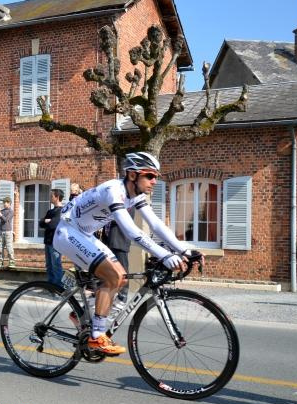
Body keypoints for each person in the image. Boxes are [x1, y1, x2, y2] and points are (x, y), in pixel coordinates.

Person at [53, 152, 202, 356]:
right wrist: (164, 255)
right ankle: (97, 336)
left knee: (120, 278)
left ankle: (83, 316)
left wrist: (184, 249)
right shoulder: (113, 191)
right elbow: (132, 231)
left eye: (156, 177)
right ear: (132, 175)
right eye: (149, 176)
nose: (154, 181)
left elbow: (156, 225)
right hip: (68, 233)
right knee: (114, 276)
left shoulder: (136, 195)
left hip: (84, 234)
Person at [40, 188, 64, 285]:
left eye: (51, 196)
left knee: (56, 265)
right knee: (49, 265)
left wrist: (47, 221)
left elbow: (53, 225)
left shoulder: (61, 211)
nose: (50, 197)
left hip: (56, 243)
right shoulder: (50, 211)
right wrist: (45, 221)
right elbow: (41, 223)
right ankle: (50, 287)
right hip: (48, 242)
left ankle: (58, 288)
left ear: (57, 197)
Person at [0, 196, 15, 268]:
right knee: (0, 247)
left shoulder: (11, 211)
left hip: (8, 232)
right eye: (3, 202)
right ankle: (0, 261)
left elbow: (6, 220)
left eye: (5, 202)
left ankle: (12, 261)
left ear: (9, 203)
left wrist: (0, 214)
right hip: (1, 231)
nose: (4, 204)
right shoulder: (2, 210)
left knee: (9, 247)